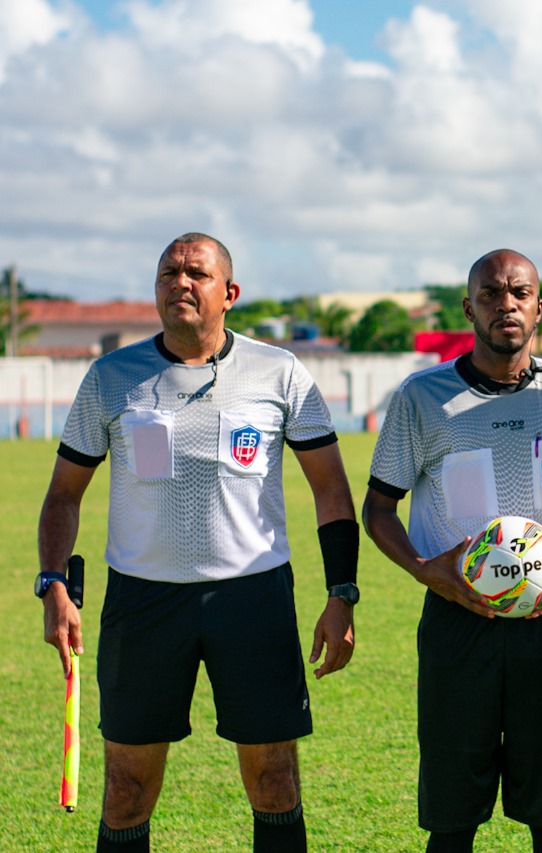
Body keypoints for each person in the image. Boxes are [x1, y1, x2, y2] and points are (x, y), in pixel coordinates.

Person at [36, 233, 360, 853]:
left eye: (196, 273)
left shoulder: (279, 371)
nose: (180, 283)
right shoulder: (111, 376)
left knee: (274, 780)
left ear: (229, 293)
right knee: (127, 786)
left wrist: (341, 592)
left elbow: (332, 492)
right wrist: (53, 583)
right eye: (168, 273)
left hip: (254, 598)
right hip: (143, 602)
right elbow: (62, 496)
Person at [362, 249, 542, 853]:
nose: (505, 304)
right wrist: (429, 572)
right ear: (469, 307)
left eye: (518, 292)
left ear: (538, 305)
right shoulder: (421, 398)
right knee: (452, 820)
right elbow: (378, 511)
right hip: (459, 622)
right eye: (490, 294)